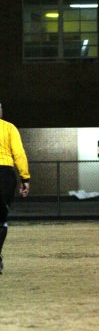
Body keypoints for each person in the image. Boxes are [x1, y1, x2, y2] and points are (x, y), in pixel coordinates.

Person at [0, 102, 30, 274]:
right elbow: (19, 153)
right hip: (4, 174)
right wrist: (25, 177)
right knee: (2, 219)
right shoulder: (9, 128)